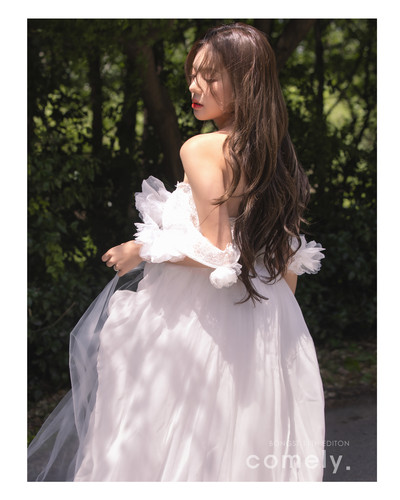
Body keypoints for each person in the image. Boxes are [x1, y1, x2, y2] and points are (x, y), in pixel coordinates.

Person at [28, 22, 325, 482]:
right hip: (271, 318)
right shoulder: (276, 154)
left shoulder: (203, 148)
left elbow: (217, 249)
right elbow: (284, 258)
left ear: (246, 82)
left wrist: (142, 249)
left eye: (210, 76)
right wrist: (277, 330)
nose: (194, 86)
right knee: (245, 451)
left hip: (202, 322)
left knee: (176, 447)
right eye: (193, 74)